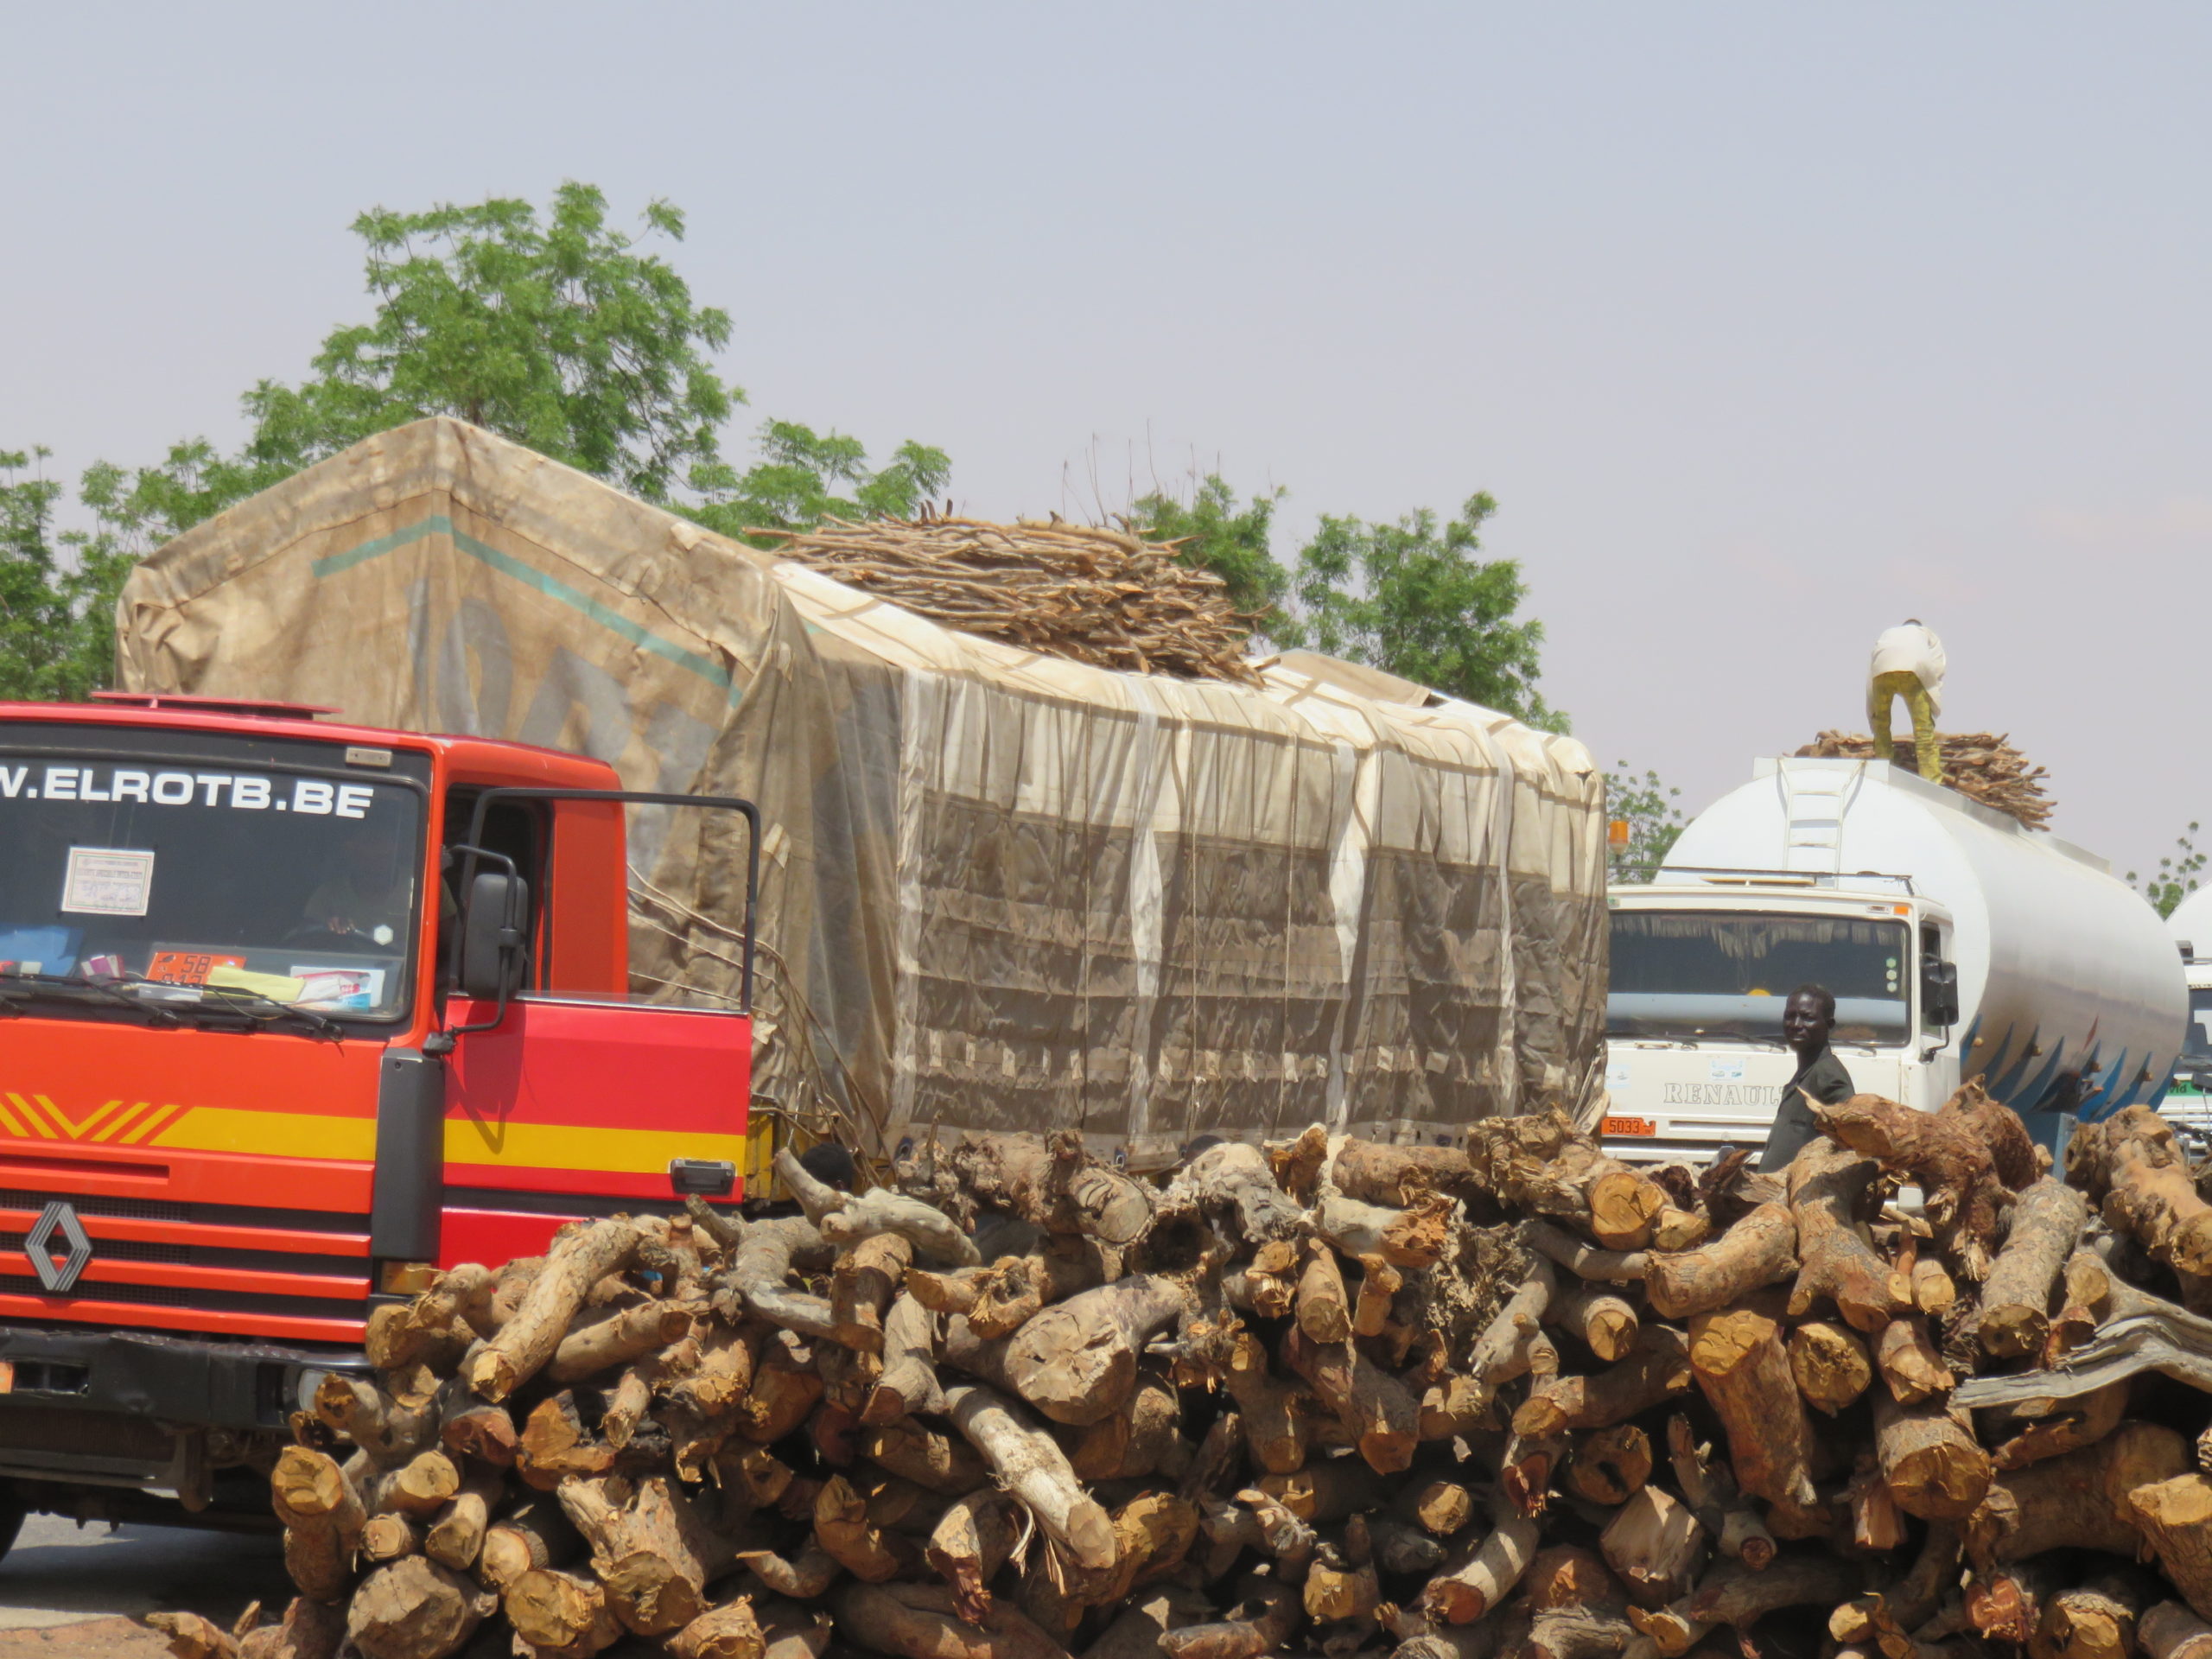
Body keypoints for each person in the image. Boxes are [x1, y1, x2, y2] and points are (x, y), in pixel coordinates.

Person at [1758, 983, 1856, 1173]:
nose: (1796, 1025)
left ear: (1829, 1025)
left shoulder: (1828, 1075)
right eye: (1790, 1016)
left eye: (1807, 1018)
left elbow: (1849, 1139)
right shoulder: (1805, 1074)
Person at [1869, 619, 1947, 784]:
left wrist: (1872, 716)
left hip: (1881, 672)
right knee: (1923, 732)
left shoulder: (1887, 634)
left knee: (1882, 727)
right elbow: (1938, 666)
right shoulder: (1927, 633)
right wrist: (1933, 696)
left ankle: (1883, 772)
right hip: (1912, 671)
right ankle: (1931, 780)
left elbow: (1871, 674)